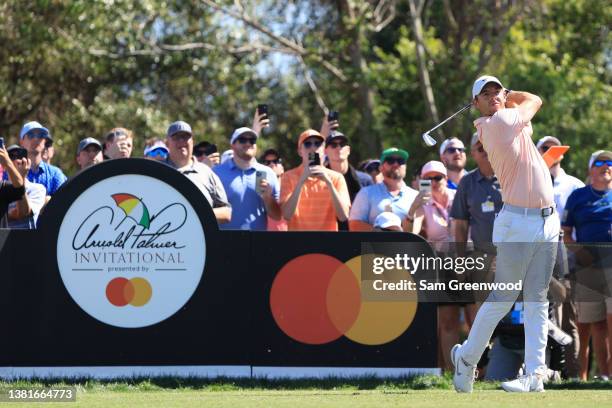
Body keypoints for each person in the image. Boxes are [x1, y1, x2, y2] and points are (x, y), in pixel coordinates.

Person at [451, 75, 558, 393]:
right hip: (518, 223)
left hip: (547, 221)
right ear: (476, 104)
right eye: (486, 93)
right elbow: (536, 99)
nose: (495, 96)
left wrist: (505, 95)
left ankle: (536, 374)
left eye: (497, 91)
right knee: (504, 297)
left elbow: (528, 109)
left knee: (538, 298)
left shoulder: (510, 122)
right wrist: (511, 95)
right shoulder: (497, 122)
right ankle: (468, 358)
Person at [561, 150, 612, 381]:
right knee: (594, 325)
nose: (607, 166)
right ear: (591, 169)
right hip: (588, 268)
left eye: (610, 162)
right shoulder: (578, 197)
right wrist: (580, 253)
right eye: (601, 162)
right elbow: (566, 233)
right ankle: (601, 376)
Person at [537, 135, 584, 379]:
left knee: (570, 321)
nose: (550, 152)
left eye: (555, 148)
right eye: (545, 148)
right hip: (538, 261)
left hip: (567, 263)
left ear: (562, 153)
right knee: (543, 317)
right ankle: (545, 370)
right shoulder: (531, 182)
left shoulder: (574, 185)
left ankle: (573, 375)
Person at [279, 129, 350, 231]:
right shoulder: (288, 176)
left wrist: (329, 183)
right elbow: (286, 215)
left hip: (327, 244)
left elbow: (343, 216)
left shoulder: (336, 178)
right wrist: (301, 181)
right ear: (300, 151)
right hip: (297, 244)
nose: (313, 148)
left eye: (318, 144)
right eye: (307, 144)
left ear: (324, 149)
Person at [213, 127, 280, 230]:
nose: (248, 144)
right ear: (233, 145)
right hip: (224, 242)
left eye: (252, 141)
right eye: (243, 140)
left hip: (257, 243)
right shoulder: (216, 173)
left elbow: (277, 216)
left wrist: (268, 198)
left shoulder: (268, 173)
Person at [164, 121, 231, 224]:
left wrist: (196, 214)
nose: (182, 141)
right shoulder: (158, 170)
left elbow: (226, 213)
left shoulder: (206, 172)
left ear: (192, 142)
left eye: (186, 137)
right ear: (167, 143)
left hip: (201, 239)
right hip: (165, 239)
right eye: (176, 137)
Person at [349, 148, 418, 231]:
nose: (396, 164)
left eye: (400, 161)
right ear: (381, 167)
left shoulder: (415, 196)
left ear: (405, 167)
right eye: (390, 160)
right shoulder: (366, 193)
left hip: (405, 244)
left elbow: (419, 230)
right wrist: (381, 234)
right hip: (374, 243)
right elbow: (354, 225)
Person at [17, 121, 66, 199]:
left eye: (41, 135)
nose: (36, 139)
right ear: (21, 142)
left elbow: (61, 203)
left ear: (44, 141)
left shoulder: (55, 174)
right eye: (30, 135)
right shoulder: (12, 171)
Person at [6, 145, 45, 229]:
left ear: (28, 163)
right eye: (11, 157)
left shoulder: (38, 189)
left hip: (26, 240)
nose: (16, 160)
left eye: (20, 157)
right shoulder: (3, 189)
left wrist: (21, 178)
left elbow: (24, 213)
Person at [0, 145, 26, 227]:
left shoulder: (2, 187)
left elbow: (20, 188)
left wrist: (8, 163)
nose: (16, 160)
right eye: (11, 157)